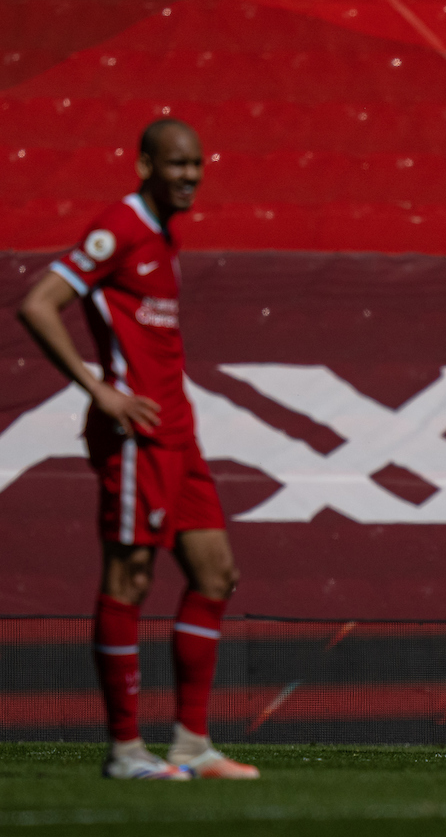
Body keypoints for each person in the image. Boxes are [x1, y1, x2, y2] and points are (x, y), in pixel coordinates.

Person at [18, 119, 259, 780]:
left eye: (198, 164)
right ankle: (126, 749)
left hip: (180, 432)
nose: (190, 176)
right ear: (145, 163)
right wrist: (100, 390)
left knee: (216, 574)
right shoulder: (118, 228)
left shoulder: (164, 230)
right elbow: (39, 303)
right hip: (136, 433)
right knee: (130, 579)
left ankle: (191, 742)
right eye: (177, 163)